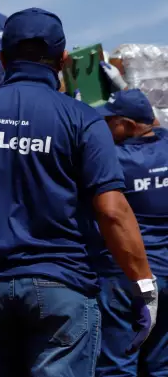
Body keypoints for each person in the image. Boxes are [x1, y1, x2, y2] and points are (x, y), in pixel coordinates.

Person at [0, 7, 157, 376]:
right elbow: (111, 210)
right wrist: (143, 284)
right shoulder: (82, 119)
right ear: (62, 60)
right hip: (63, 287)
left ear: (1, 57)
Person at [93, 89, 168, 376]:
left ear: (129, 125)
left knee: (117, 364)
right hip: (165, 272)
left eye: (111, 120)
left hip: (127, 275)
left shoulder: (116, 159)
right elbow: (157, 127)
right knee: (161, 364)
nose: (106, 126)